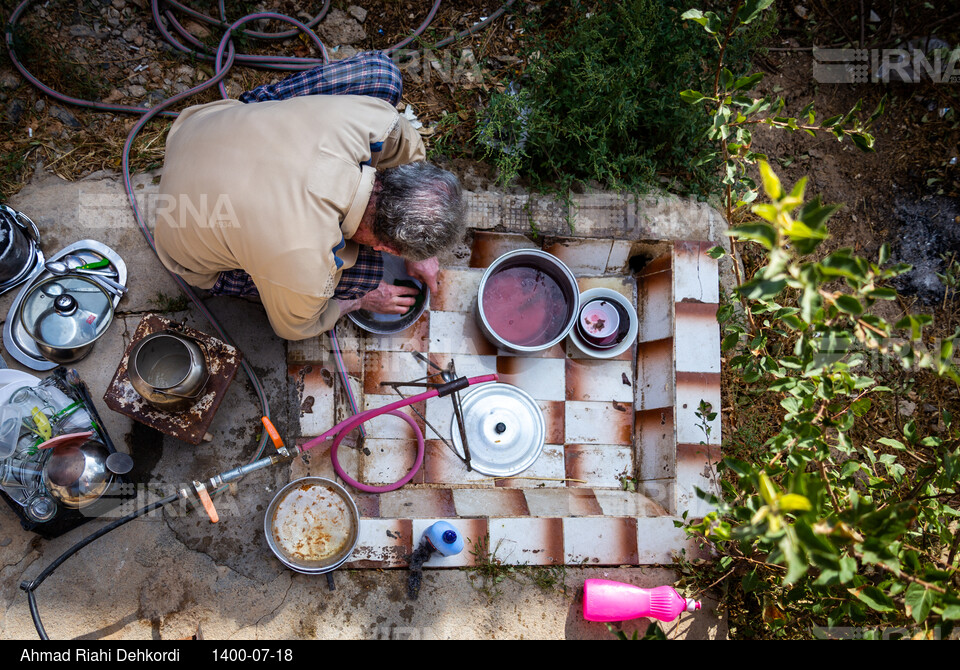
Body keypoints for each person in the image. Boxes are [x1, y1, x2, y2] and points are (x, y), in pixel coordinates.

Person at [154, 52, 464, 340]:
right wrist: (359, 301)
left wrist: (423, 229)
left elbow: (409, 151)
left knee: (382, 77)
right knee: (366, 276)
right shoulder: (306, 264)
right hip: (179, 228)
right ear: (386, 247)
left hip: (197, 127)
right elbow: (294, 327)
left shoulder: (373, 123)